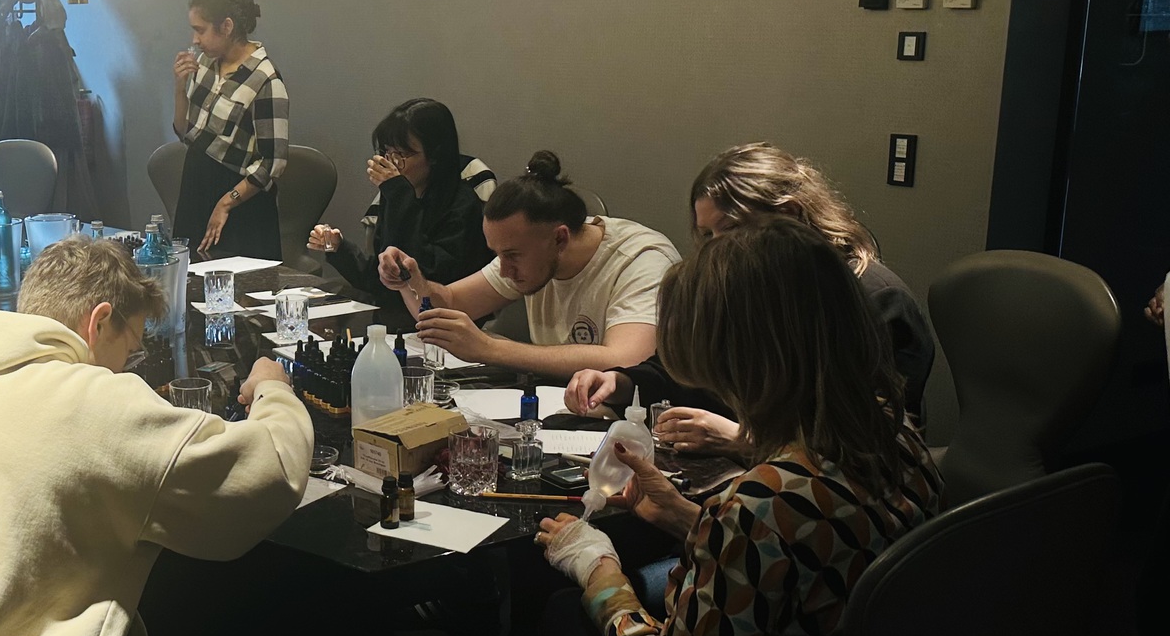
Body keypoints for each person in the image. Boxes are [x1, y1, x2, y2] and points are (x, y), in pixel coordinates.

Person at [0, 237, 312, 636]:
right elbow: (269, 476)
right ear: (100, 321)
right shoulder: (93, 403)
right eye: (130, 349)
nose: (127, 367)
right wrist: (273, 390)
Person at [530, 216, 941, 636]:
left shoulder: (765, 502)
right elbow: (804, 554)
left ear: (739, 364)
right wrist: (688, 518)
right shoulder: (893, 430)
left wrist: (598, 570)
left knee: (561, 612)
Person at [563, 142, 937, 451]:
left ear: (788, 215)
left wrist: (739, 438)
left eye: (729, 229)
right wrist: (623, 383)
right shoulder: (740, 289)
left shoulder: (874, 299)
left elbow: (869, 440)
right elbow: (687, 371)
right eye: (706, 235)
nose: (714, 249)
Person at [382, 151, 679, 378]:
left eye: (512, 256)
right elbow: (448, 304)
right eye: (498, 255)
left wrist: (490, 348)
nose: (504, 270)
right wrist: (411, 281)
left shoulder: (642, 261)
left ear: (560, 238)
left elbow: (627, 360)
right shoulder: (526, 249)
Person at [309, 98, 493, 330]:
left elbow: (424, 277)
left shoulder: (462, 205)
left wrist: (399, 195)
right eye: (387, 152)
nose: (392, 164)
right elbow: (384, 279)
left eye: (401, 155)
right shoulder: (397, 196)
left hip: (437, 325)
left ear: (435, 155)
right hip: (390, 319)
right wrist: (338, 248)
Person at [172, 0, 288, 259]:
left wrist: (225, 204)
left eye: (200, 30)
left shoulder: (265, 80)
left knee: (235, 279)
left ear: (226, 26)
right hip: (196, 184)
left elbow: (272, 162)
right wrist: (179, 88)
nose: (195, 40)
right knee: (190, 273)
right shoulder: (205, 64)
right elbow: (185, 132)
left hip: (240, 200)